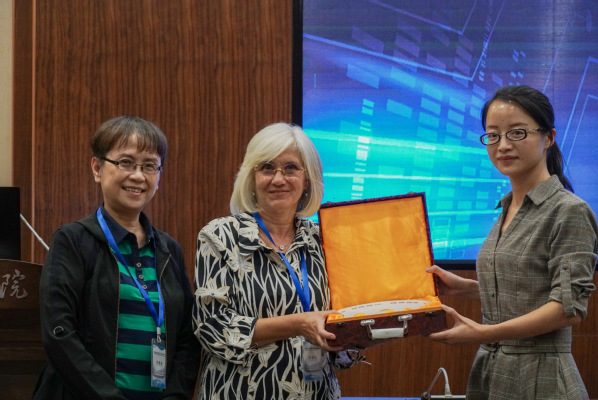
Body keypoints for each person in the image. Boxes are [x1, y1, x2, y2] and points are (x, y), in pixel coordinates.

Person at [427, 85, 598, 399]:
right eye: (493, 135)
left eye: (517, 133)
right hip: (492, 370)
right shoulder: (507, 207)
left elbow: (568, 309)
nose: (503, 145)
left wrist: (484, 333)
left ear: (549, 137)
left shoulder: (569, 210)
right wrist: (464, 288)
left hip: (542, 376)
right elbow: (529, 291)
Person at [32, 116, 200, 400]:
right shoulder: (73, 241)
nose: (138, 176)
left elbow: (187, 336)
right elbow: (59, 333)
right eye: (126, 162)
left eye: (149, 166)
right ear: (97, 168)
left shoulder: (168, 249)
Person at [193, 122, 358, 399]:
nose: (278, 179)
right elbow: (212, 329)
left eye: (291, 168)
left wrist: (369, 331)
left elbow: (343, 337)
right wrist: (298, 324)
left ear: (308, 179)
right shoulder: (220, 236)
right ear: (252, 177)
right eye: (267, 168)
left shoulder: (326, 241)